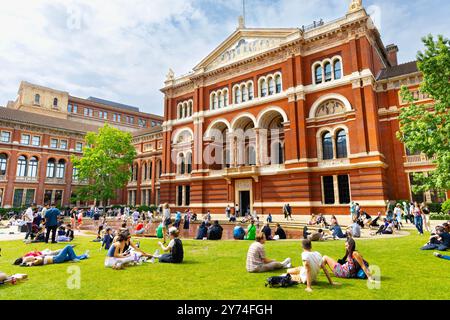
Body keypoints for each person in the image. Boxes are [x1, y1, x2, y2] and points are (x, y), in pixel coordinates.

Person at [22, 245, 89, 266]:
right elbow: (38, 260)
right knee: (68, 246)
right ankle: (74, 259)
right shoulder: (36, 261)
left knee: (70, 257)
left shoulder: (35, 259)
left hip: (55, 258)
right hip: (56, 259)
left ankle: (84, 256)